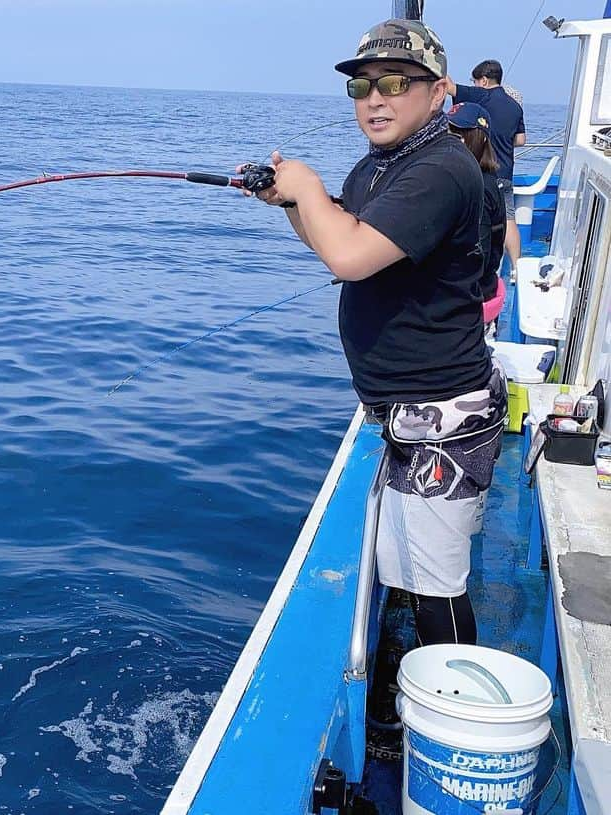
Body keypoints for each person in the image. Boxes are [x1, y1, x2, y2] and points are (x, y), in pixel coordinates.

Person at [247, 19, 506, 647]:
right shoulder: (380, 167)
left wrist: (308, 186)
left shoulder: (440, 170)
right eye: (361, 87)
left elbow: (349, 259)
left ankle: (451, 702)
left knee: (438, 587)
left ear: (440, 90)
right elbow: (336, 242)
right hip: (400, 406)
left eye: (395, 82)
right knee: (410, 570)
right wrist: (293, 205)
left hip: (444, 411)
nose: (375, 98)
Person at [446, 60, 526, 271]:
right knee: (508, 220)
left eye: (474, 81)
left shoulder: (480, 95)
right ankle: (517, 268)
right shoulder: (515, 106)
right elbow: (520, 140)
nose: (473, 85)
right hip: (506, 172)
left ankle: (479, 270)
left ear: (483, 80)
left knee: (477, 221)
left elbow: (447, 85)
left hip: (483, 171)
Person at [446, 101, 507, 329]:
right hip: (483, 287)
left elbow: (474, 260)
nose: (447, 141)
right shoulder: (486, 179)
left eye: (457, 135)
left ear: (476, 139)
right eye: (446, 132)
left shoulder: (477, 188)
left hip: (472, 299)